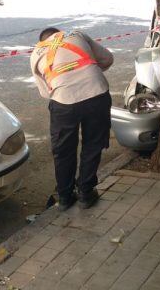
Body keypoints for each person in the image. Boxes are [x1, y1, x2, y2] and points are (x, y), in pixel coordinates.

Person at [30, 27, 114, 211]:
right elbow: (108, 58)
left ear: (42, 41)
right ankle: (85, 193)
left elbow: (45, 92)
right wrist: (88, 73)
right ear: (59, 33)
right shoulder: (77, 35)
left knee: (63, 150)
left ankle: (65, 197)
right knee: (93, 144)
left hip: (63, 102)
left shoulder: (35, 53)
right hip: (96, 93)